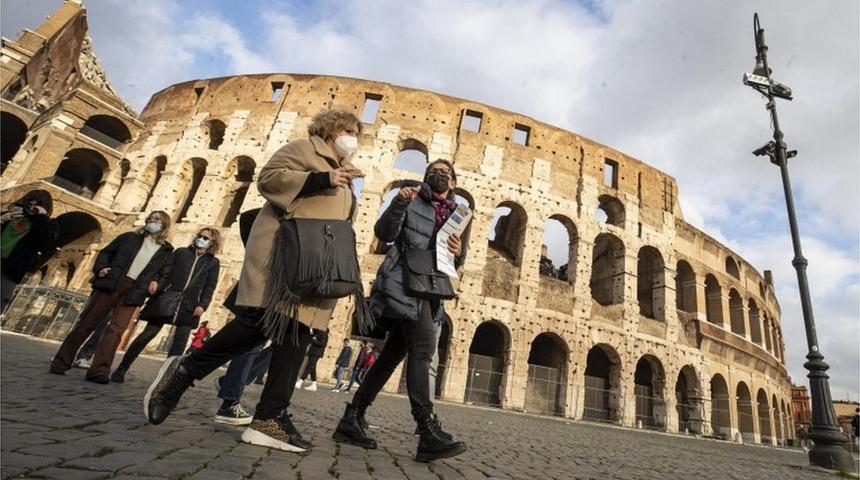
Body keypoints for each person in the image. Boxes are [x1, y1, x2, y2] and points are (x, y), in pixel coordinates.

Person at [143, 108, 365, 454]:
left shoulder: (346, 174)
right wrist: (322, 179)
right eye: (347, 129)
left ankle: (269, 418)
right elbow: (269, 179)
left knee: (297, 335)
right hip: (284, 254)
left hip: (316, 263)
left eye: (357, 132)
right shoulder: (303, 149)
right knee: (256, 325)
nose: (352, 137)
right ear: (328, 129)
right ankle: (183, 372)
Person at [332, 159, 470, 462]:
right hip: (404, 283)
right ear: (425, 176)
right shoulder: (411, 199)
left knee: (391, 356)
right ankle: (427, 430)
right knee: (423, 350)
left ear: (454, 183)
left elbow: (456, 258)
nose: (439, 175)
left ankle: (352, 417)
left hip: (432, 289)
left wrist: (459, 253)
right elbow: (384, 231)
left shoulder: (458, 214)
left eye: (446, 173)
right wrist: (397, 202)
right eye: (434, 171)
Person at [50, 211, 174, 383]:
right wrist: (101, 268)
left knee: (116, 331)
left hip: (136, 290)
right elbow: (105, 253)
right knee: (88, 323)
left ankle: (99, 371)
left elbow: (165, 274)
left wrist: (156, 283)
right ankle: (60, 362)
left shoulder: (166, 250)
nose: (152, 222)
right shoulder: (129, 237)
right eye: (151, 219)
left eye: (157, 220)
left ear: (164, 225)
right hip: (113, 282)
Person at [110, 228, 221, 383]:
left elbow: (210, 286)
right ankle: (121, 369)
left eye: (205, 238)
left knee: (179, 345)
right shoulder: (181, 252)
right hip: (167, 297)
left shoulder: (212, 262)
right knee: (147, 335)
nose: (201, 239)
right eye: (200, 236)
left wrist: (203, 304)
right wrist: (156, 280)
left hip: (189, 304)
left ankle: (165, 381)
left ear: (212, 243)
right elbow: (165, 270)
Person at [0, 189, 59, 311]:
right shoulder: (8, 214)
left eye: (36, 207)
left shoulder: (49, 225)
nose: (31, 209)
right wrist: (1, 220)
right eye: (29, 205)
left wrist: (41, 218)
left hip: (11, 271)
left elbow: (42, 243)